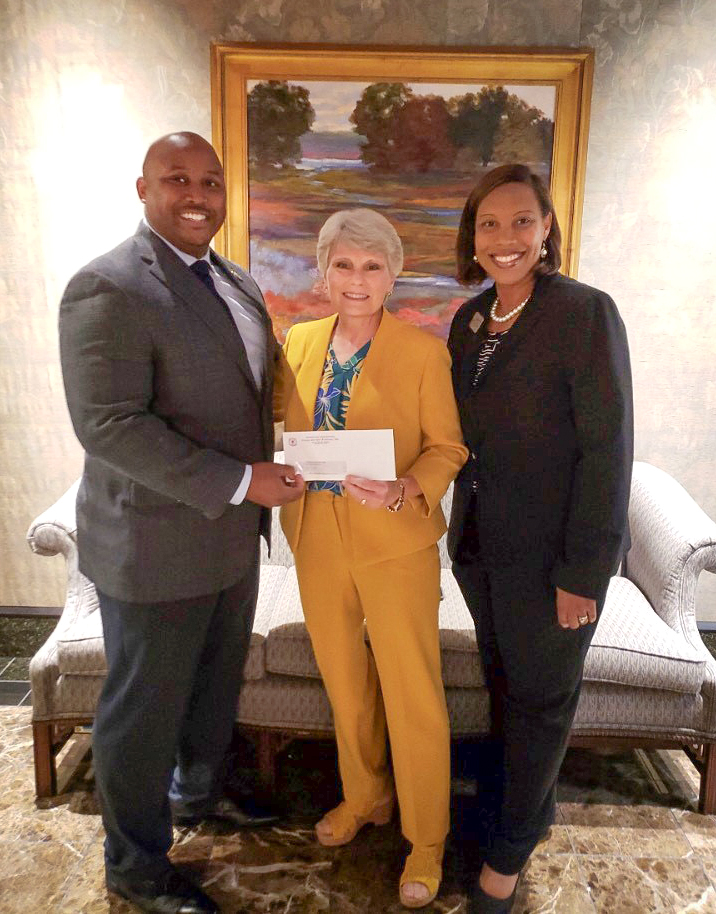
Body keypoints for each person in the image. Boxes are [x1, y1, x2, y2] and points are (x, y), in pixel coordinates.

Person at [59, 131, 304, 914]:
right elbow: (110, 426)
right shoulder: (106, 286)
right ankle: (134, 864)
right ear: (142, 189)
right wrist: (241, 480)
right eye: (176, 179)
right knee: (143, 707)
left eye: (209, 179)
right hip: (154, 547)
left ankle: (199, 795)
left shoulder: (236, 281)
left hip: (232, 540)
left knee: (209, 689)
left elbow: (251, 398)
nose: (196, 193)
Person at [447, 164, 633, 913]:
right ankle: (518, 818)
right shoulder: (469, 321)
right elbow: (455, 434)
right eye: (489, 225)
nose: (505, 239)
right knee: (505, 692)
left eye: (522, 221)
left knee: (543, 700)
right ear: (473, 237)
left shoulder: (585, 313)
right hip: (481, 552)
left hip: (555, 559)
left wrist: (584, 573)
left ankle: (506, 859)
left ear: (547, 227)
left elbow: (607, 449)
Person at [274, 208, 467, 908]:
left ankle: (427, 840)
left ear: (394, 276)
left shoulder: (422, 353)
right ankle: (367, 797)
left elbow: (448, 446)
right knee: (345, 682)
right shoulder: (296, 340)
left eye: (372, 266)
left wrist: (406, 486)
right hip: (315, 535)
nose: (357, 279)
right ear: (323, 272)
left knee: (412, 691)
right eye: (344, 265)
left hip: (395, 539)